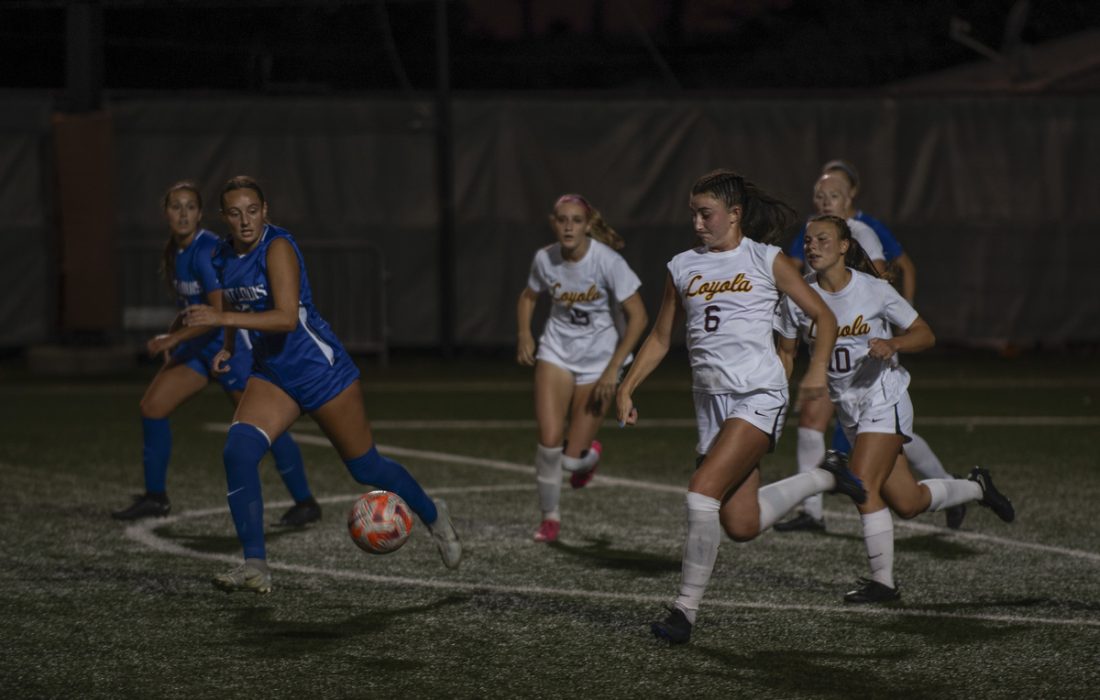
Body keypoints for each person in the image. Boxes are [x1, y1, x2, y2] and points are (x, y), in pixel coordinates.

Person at [615, 170, 867, 645]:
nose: (696, 223)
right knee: (742, 523)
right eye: (692, 213)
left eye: (705, 213)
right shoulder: (681, 266)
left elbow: (823, 315)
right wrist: (627, 386)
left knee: (700, 491)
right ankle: (828, 475)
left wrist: (814, 374)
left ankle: (683, 613)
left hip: (759, 394)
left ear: (734, 214)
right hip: (711, 404)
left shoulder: (766, 259)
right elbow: (662, 337)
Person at [184, 176, 461, 594]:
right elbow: (238, 305)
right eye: (236, 213)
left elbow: (285, 318)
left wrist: (221, 322)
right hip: (272, 373)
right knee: (238, 452)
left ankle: (434, 515)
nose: (245, 221)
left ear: (266, 211)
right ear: (223, 217)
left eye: (253, 211)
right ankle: (255, 565)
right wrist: (226, 346)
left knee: (365, 467)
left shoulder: (277, 247)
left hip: (319, 370)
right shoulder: (223, 254)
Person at [774, 215, 1015, 604]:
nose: (812, 246)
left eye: (822, 239)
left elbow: (925, 333)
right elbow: (785, 352)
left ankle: (883, 583)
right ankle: (976, 486)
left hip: (885, 397)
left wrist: (894, 345)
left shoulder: (871, 291)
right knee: (907, 502)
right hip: (849, 410)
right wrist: (776, 389)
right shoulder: (798, 298)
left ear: (843, 247)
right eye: (808, 240)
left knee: (860, 481)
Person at [112, 181, 320, 527]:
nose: (182, 214)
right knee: (152, 407)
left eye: (190, 207)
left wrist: (171, 340)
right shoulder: (176, 251)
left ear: (201, 214)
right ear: (165, 212)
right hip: (198, 349)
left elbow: (219, 311)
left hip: (230, 348)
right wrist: (176, 332)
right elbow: (192, 308)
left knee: (267, 428)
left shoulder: (208, 251)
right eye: (175, 207)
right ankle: (155, 497)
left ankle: (305, 501)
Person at [775, 162, 962, 532]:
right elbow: (794, 273)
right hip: (829, 355)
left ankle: (944, 484)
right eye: (819, 195)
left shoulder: (864, 232)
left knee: (876, 457)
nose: (825, 201)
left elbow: (879, 282)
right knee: (817, 423)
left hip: (865, 355)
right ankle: (812, 511)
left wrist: (892, 335)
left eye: (833, 195)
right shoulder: (814, 232)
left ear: (851, 196)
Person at [517, 194, 648, 543]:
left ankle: (587, 458)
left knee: (571, 462)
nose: (569, 226)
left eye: (576, 220)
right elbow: (529, 296)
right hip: (556, 352)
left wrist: (613, 370)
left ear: (588, 224)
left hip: (600, 361)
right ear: (553, 222)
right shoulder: (545, 259)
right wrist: (524, 334)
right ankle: (549, 518)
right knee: (548, 444)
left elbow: (639, 318)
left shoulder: (607, 261)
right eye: (562, 220)